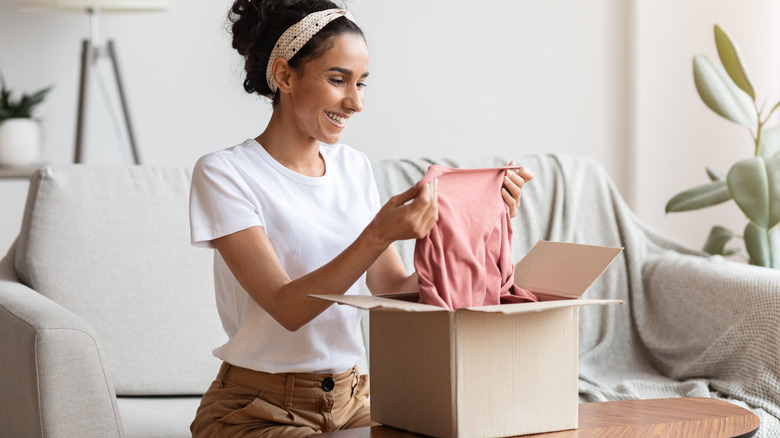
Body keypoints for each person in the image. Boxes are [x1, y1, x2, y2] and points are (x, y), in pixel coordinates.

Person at [188, 0, 534, 436]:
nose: (356, 102)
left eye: (362, 83)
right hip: (258, 409)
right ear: (284, 76)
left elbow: (392, 288)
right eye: (338, 80)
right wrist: (378, 233)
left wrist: (482, 225)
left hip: (355, 399)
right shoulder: (225, 173)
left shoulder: (354, 167)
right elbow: (286, 307)